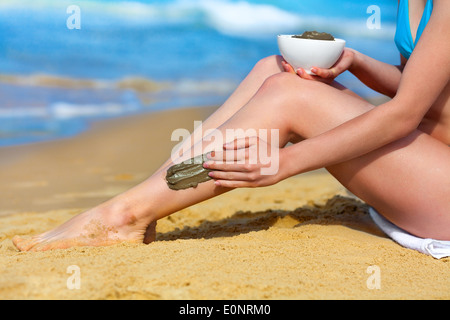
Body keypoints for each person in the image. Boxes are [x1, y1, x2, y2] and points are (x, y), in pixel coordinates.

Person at [13, 0, 450, 251]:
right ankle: (139, 208)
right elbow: (423, 88)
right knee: (273, 69)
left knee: (288, 94)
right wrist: (357, 63)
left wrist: (284, 163)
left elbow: (405, 113)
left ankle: (121, 217)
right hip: (428, 166)